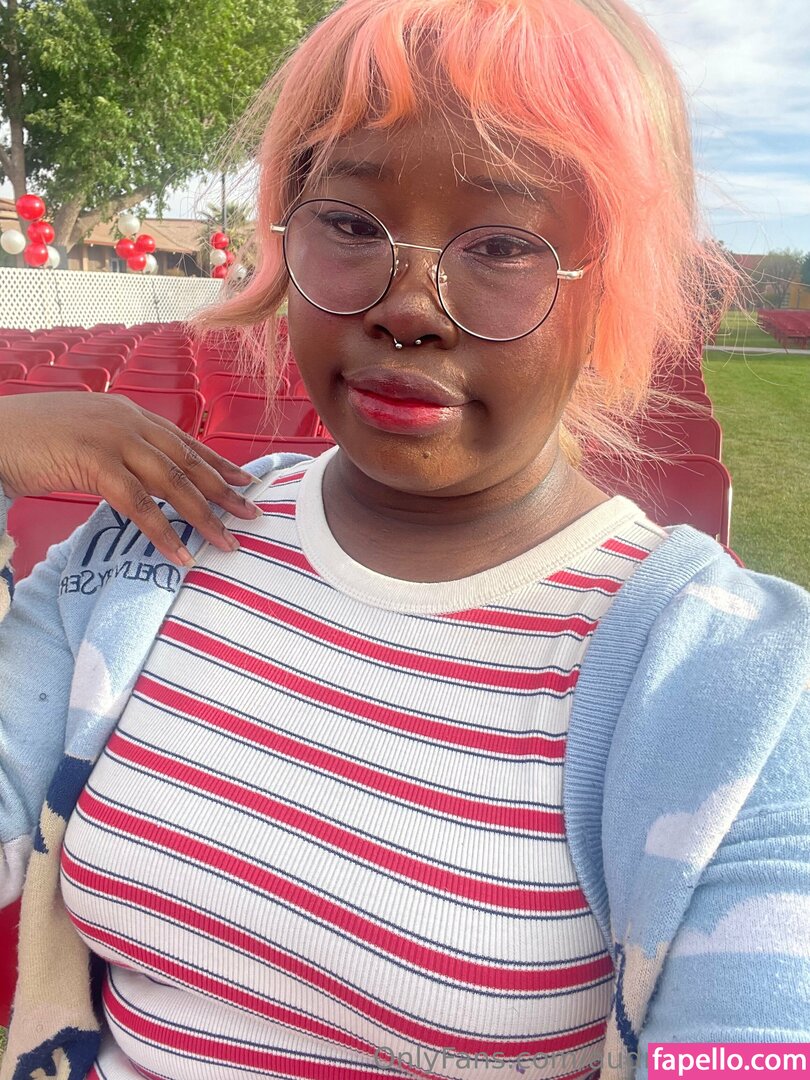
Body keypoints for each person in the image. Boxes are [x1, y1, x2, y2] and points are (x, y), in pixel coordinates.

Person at [1, 2, 809, 1079]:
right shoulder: (151, 545)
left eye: (504, 244)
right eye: (349, 223)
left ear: (609, 287)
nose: (410, 308)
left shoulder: (737, 693)